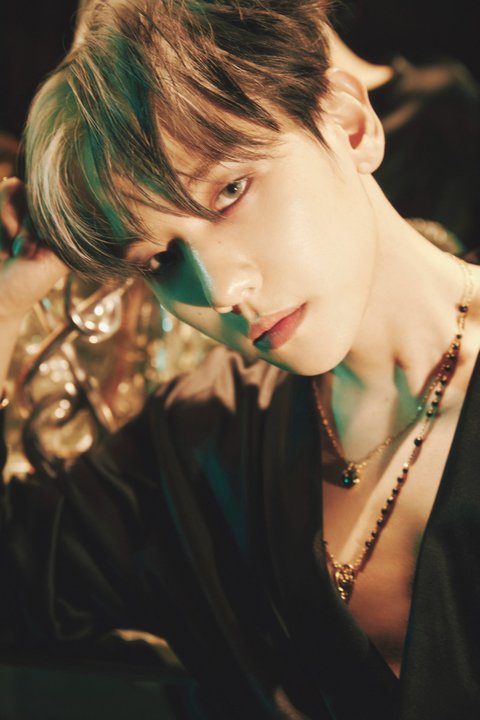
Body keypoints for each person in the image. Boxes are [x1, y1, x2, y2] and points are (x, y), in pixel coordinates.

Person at [1, 1, 480, 718]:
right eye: (160, 259)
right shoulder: (196, 443)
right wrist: (7, 304)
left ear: (348, 123)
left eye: (230, 190)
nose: (221, 290)